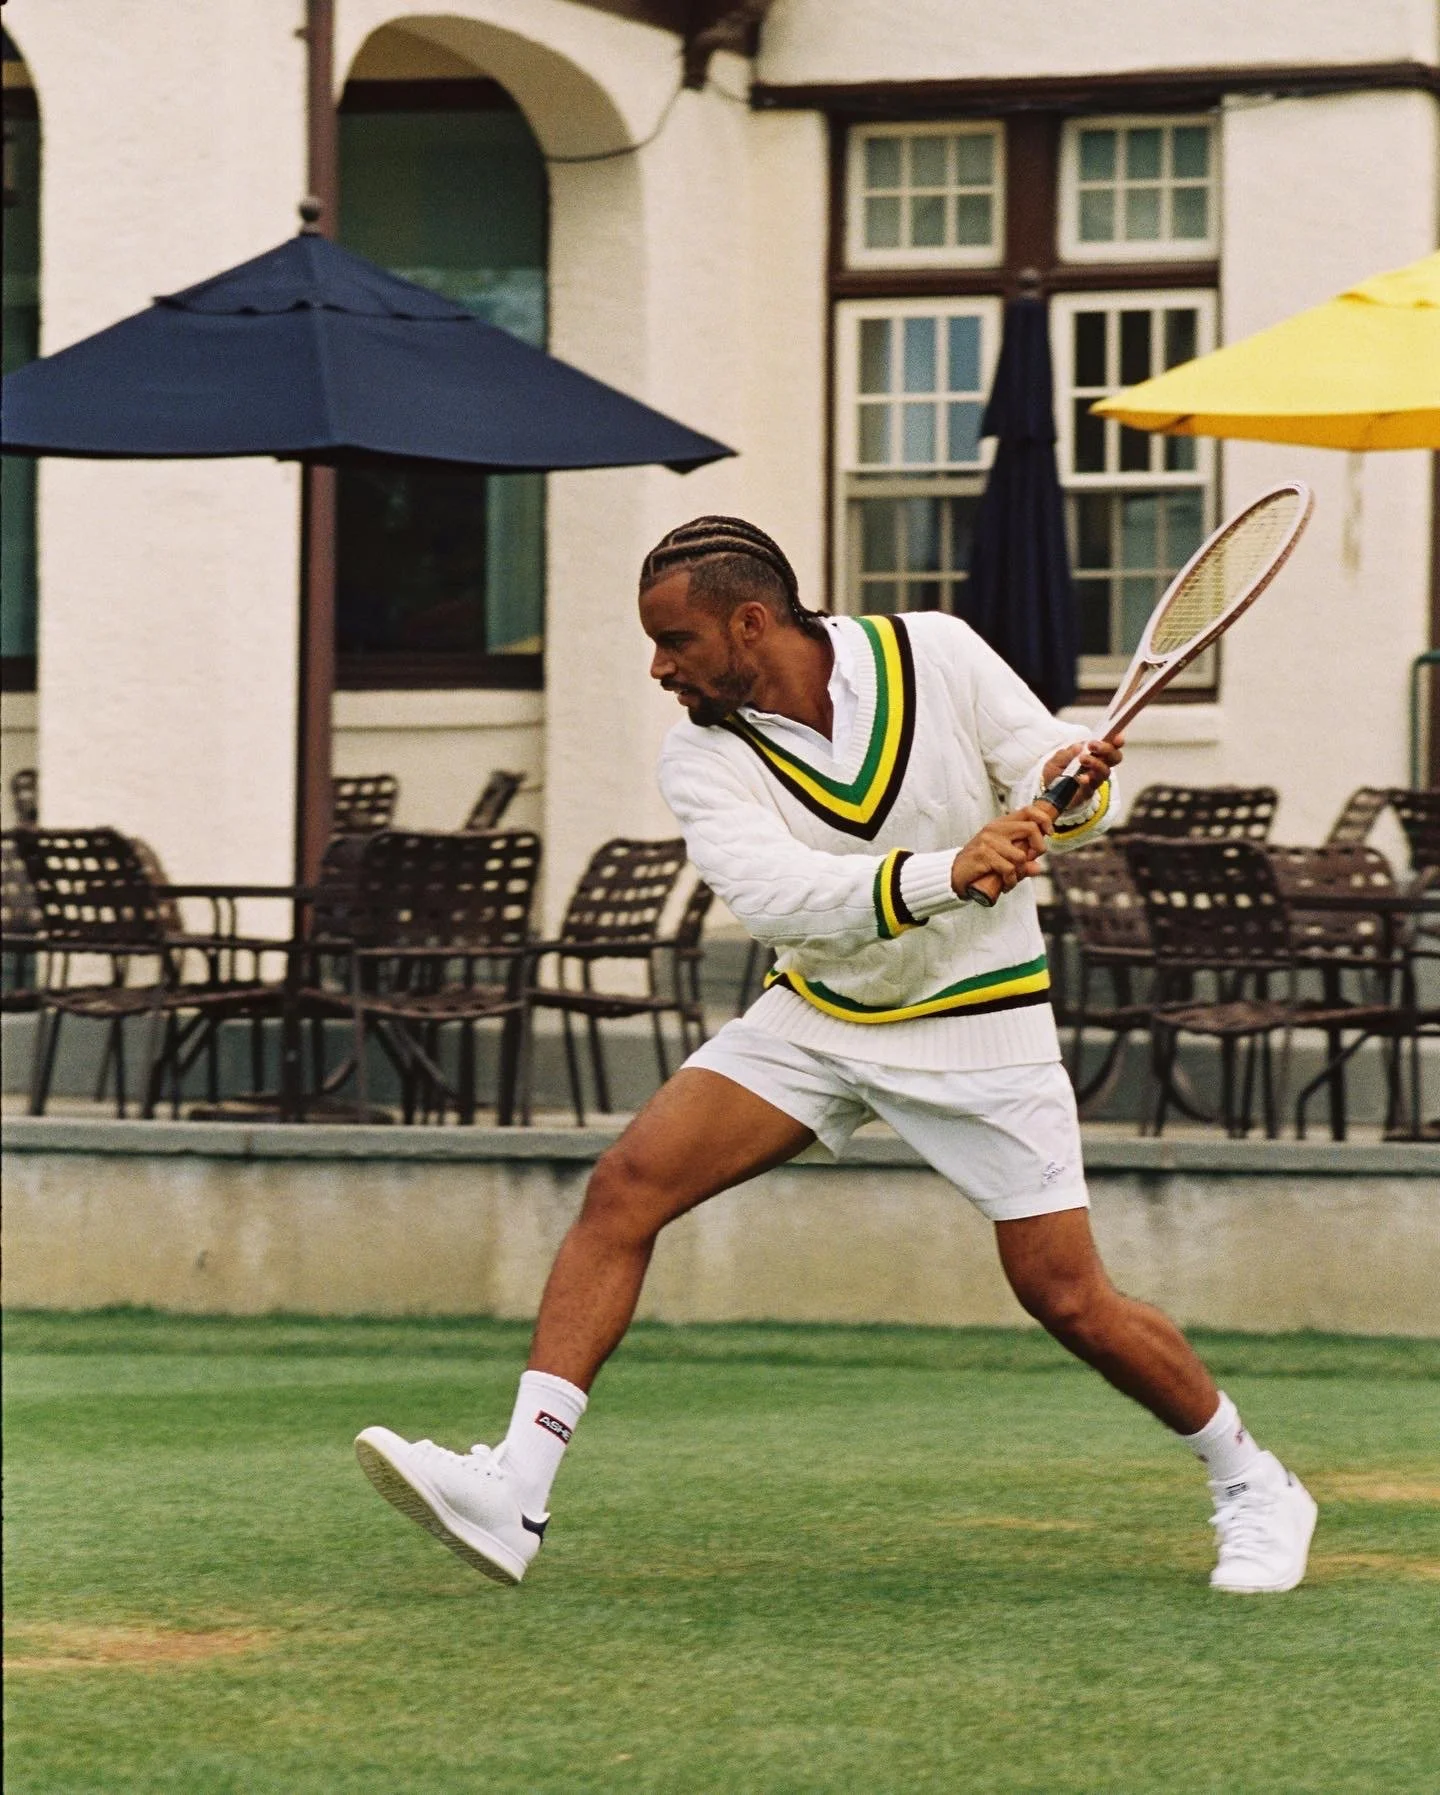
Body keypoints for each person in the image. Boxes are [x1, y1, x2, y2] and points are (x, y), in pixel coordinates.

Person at [356, 515, 1316, 1597]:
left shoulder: (940, 654)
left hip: (978, 1015)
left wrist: (1073, 788)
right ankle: (513, 1490)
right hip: (818, 1016)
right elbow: (776, 899)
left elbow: (1060, 784)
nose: (660, 668)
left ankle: (1256, 1484)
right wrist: (946, 870)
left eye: (675, 641)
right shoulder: (701, 754)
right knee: (625, 1188)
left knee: (1067, 1295)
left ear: (750, 623)